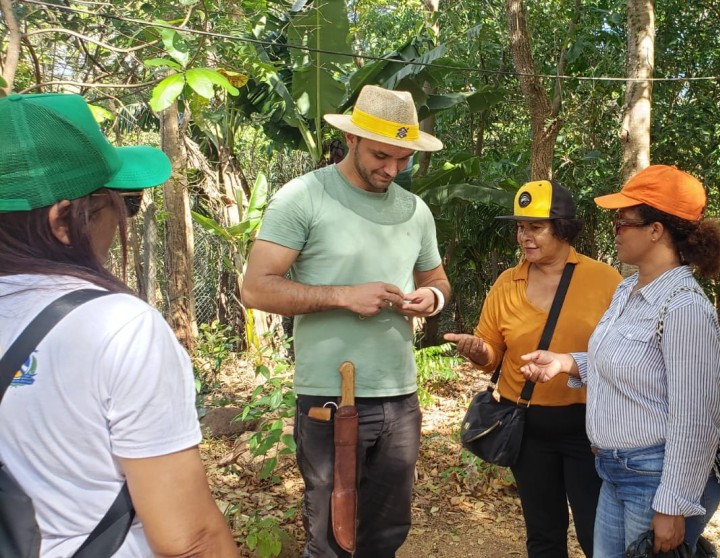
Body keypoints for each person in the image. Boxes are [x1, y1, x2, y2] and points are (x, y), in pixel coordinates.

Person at [0, 93, 238, 556]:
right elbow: (188, 540)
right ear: (64, 220)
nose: (124, 218)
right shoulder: (118, 327)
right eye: (123, 204)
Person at [241, 85, 451, 557]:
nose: (392, 169)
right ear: (352, 139)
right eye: (381, 155)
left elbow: (438, 278)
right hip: (332, 397)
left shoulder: (416, 211)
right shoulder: (303, 197)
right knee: (333, 535)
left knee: (387, 532)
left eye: (404, 159)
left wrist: (431, 298)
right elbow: (255, 287)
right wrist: (342, 296)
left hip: (400, 396)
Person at [519, 165, 720, 557]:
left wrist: (674, 504)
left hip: (653, 478)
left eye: (623, 222)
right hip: (613, 472)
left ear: (656, 230)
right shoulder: (628, 290)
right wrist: (568, 363)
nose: (615, 230)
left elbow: (697, 416)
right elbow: (627, 364)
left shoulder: (684, 308)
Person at [444, 179, 622, 557]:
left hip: (589, 430)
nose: (524, 236)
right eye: (520, 227)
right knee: (543, 533)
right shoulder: (508, 283)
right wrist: (478, 351)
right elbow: (492, 352)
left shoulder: (605, 280)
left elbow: (625, 354)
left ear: (563, 228)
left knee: (598, 535)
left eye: (535, 227)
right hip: (526, 428)